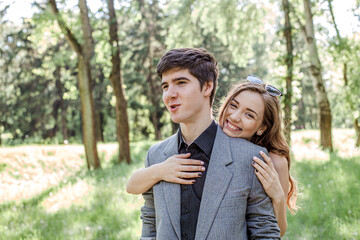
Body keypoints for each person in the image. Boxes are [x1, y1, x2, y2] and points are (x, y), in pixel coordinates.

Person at [129, 48, 281, 240]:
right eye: (165, 86)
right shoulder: (156, 155)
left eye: (181, 83)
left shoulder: (251, 158)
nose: (169, 94)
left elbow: (265, 233)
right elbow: (150, 224)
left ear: (207, 87)